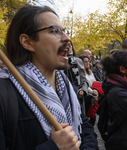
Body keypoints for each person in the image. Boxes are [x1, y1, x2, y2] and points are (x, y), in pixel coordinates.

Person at [0, 5, 99, 150]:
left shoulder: (66, 86)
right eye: (55, 31)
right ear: (27, 42)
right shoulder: (5, 94)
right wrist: (54, 147)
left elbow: (84, 128)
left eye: (64, 31)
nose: (67, 39)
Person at [79, 55, 100, 126]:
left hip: (93, 95)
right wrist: (92, 92)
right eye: (85, 62)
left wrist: (96, 92)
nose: (88, 63)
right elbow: (83, 84)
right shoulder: (80, 73)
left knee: (93, 115)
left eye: (88, 61)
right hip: (87, 96)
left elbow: (94, 82)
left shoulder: (90, 72)